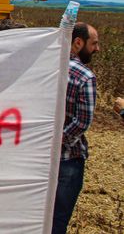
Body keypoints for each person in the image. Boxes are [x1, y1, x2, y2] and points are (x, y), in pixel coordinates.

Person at [52, 22, 100, 234]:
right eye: (94, 43)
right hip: (68, 159)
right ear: (78, 43)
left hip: (41, 158)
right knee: (59, 218)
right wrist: (59, 142)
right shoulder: (86, 77)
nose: (96, 49)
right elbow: (82, 122)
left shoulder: (48, 68)